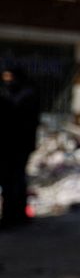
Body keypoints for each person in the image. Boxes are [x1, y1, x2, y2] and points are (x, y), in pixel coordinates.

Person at [0, 67, 39, 228]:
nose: (8, 81)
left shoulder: (26, 96)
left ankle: (13, 216)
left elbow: (23, 123)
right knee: (13, 181)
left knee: (14, 182)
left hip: (18, 146)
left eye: (10, 78)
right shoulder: (10, 95)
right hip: (9, 147)